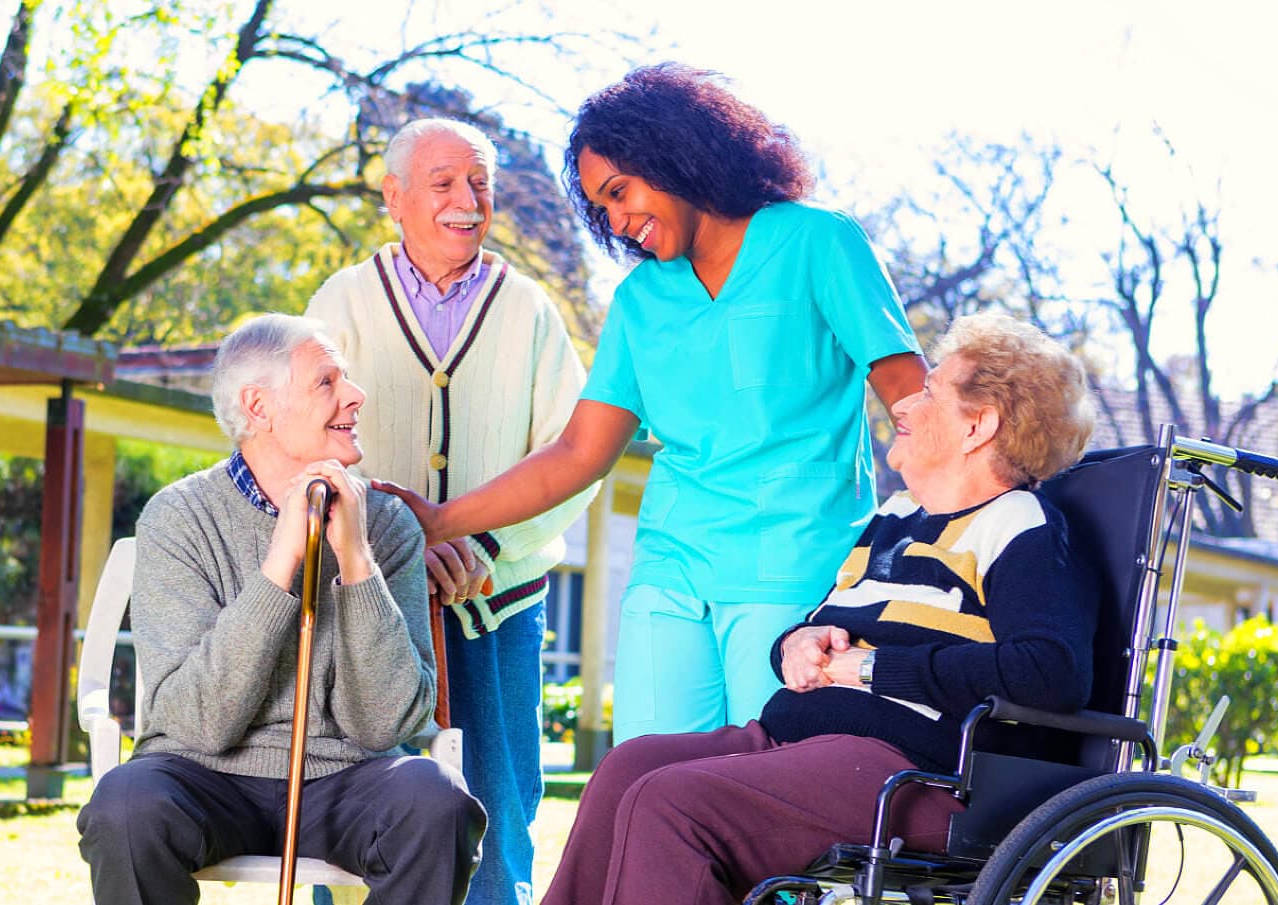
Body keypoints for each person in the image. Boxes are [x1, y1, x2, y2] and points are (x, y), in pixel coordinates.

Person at [377, 64, 929, 742]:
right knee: (645, 775)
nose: (615, 221)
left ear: (675, 153)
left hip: (793, 564)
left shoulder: (817, 242)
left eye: (620, 191)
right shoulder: (641, 300)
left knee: (765, 787)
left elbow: (910, 395)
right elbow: (579, 452)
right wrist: (439, 520)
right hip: (671, 566)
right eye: (600, 208)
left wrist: (959, 526)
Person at [539, 313, 1100, 905]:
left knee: (674, 802)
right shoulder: (897, 518)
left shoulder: (1020, 524)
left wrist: (868, 669)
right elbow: (827, 631)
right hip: (800, 741)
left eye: (931, 392)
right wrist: (795, 647)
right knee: (627, 769)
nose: (905, 406)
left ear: (978, 425)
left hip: (910, 772)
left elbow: (1049, 671)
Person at [77, 314, 486, 905]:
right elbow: (197, 723)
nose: (355, 395)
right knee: (125, 805)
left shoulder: (388, 525)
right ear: (259, 406)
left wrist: (354, 558)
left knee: (435, 798)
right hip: (204, 778)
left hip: (344, 780)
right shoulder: (179, 519)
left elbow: (386, 724)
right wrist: (281, 561)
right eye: (327, 381)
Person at [305, 117, 594, 905]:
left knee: (499, 801)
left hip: (497, 601)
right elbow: (301, 448)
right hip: (363, 602)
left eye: (480, 183)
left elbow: (576, 454)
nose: (468, 200)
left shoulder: (530, 310)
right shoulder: (340, 302)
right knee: (357, 795)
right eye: (443, 183)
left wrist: (478, 541)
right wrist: (397, 545)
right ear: (393, 196)